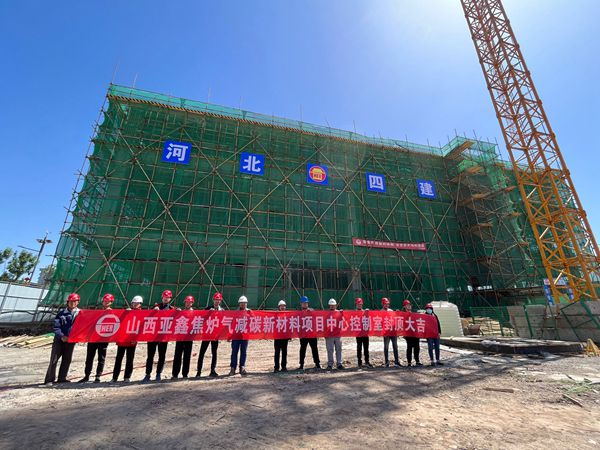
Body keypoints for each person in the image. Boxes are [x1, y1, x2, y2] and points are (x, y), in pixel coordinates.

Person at [44, 293, 80, 384]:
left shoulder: (80, 313)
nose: (72, 303)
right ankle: (49, 379)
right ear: (68, 302)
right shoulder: (61, 313)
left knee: (67, 360)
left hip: (71, 341)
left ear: (78, 302)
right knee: (54, 360)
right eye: (70, 301)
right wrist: (62, 336)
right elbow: (56, 327)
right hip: (59, 341)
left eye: (74, 301)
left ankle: (62, 378)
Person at [79, 293, 114, 383]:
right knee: (89, 357)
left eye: (108, 301)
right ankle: (87, 375)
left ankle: (98, 375)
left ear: (111, 302)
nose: (106, 303)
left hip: (103, 338)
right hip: (93, 337)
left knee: (101, 358)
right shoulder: (97, 311)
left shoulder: (113, 313)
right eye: (105, 301)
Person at [143, 290, 174, 382]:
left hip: (163, 336)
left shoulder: (172, 309)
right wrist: (153, 311)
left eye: (168, 297)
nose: (166, 299)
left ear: (170, 298)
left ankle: (158, 373)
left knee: (162, 355)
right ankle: (147, 374)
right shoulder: (156, 307)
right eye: (164, 297)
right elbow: (147, 317)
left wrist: (178, 312)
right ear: (162, 297)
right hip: (152, 335)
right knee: (150, 355)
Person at [112, 295, 143, 382]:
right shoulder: (127, 311)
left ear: (140, 304)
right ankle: (114, 377)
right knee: (118, 359)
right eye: (134, 303)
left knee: (129, 359)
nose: (135, 304)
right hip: (122, 340)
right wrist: (125, 313)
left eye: (137, 303)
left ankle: (127, 377)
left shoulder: (142, 314)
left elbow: (141, 327)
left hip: (132, 340)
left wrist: (136, 339)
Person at [196, 292, 223, 377]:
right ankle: (199, 371)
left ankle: (213, 370)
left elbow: (224, 321)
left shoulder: (222, 310)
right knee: (202, 352)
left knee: (214, 352)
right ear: (213, 300)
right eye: (215, 300)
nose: (217, 301)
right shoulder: (207, 308)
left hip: (215, 335)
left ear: (220, 301)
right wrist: (208, 313)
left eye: (218, 300)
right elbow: (201, 318)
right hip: (207, 334)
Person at [172, 295, 195, 379]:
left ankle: (185, 374)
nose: (188, 304)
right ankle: (175, 374)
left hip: (189, 337)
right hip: (180, 336)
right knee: (177, 355)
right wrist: (176, 313)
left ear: (192, 303)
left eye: (189, 302)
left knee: (187, 356)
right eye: (186, 302)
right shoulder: (181, 312)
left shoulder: (195, 313)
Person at [297, 295, 321, 371]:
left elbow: (316, 319)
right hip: (303, 334)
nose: (304, 304)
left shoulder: (312, 311)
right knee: (302, 349)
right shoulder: (298, 313)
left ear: (308, 304)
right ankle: (301, 364)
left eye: (306, 303)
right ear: (301, 304)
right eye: (303, 303)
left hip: (312, 334)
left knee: (314, 349)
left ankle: (317, 363)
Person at [229, 295, 250, 375]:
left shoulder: (249, 312)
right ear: (239, 304)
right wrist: (230, 334)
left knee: (243, 352)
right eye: (241, 303)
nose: (243, 304)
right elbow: (232, 324)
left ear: (246, 303)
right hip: (236, 335)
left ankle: (242, 367)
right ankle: (233, 368)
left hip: (245, 335)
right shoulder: (235, 313)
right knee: (234, 351)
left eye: (244, 303)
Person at [382, 297, 401, 367]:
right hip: (386, 332)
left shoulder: (391, 311)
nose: (386, 305)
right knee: (386, 347)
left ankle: (397, 361)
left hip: (393, 331)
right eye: (385, 304)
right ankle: (386, 362)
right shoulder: (381, 312)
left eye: (387, 304)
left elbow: (395, 320)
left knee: (395, 346)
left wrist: (397, 313)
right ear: (382, 304)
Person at [325, 298, 343, 370]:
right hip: (329, 335)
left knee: (339, 349)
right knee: (330, 350)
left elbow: (344, 320)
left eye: (333, 305)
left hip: (338, 335)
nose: (332, 306)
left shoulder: (339, 313)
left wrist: (342, 313)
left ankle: (339, 364)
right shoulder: (326, 314)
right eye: (331, 305)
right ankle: (330, 364)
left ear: (336, 305)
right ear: (329, 305)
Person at [403, 299, 422, 367]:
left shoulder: (414, 314)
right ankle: (409, 362)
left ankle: (417, 361)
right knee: (409, 347)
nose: (409, 306)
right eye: (407, 305)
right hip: (408, 334)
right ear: (404, 306)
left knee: (417, 347)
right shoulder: (402, 314)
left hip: (415, 333)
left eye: (409, 305)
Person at [354, 297, 372, 368]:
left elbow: (370, 319)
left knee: (366, 348)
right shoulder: (354, 313)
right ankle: (359, 362)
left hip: (365, 333)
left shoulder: (365, 312)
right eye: (358, 304)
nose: (359, 305)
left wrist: (368, 312)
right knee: (359, 348)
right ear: (356, 304)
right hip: (358, 334)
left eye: (360, 304)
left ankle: (367, 361)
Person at [274, 300, 290, 373]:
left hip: (285, 337)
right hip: (277, 337)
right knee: (277, 352)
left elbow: (289, 325)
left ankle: (284, 367)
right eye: (281, 306)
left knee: (284, 352)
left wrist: (289, 335)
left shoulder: (287, 315)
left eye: (284, 306)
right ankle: (276, 367)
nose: (283, 307)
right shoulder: (275, 315)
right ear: (279, 307)